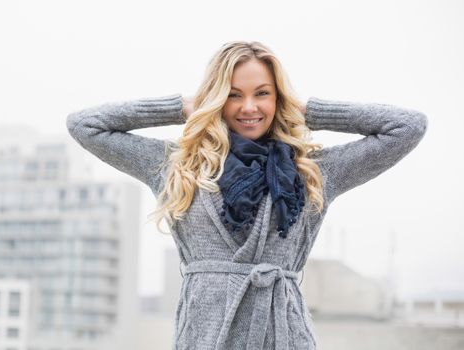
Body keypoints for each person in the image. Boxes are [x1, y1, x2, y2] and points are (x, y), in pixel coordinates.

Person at [66, 41, 428, 350]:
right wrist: (181, 106)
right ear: (216, 98)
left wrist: (306, 110)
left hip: (284, 337)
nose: (249, 107)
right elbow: (86, 125)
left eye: (262, 93)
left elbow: (407, 127)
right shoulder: (176, 165)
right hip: (205, 337)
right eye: (233, 95)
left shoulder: (312, 170)